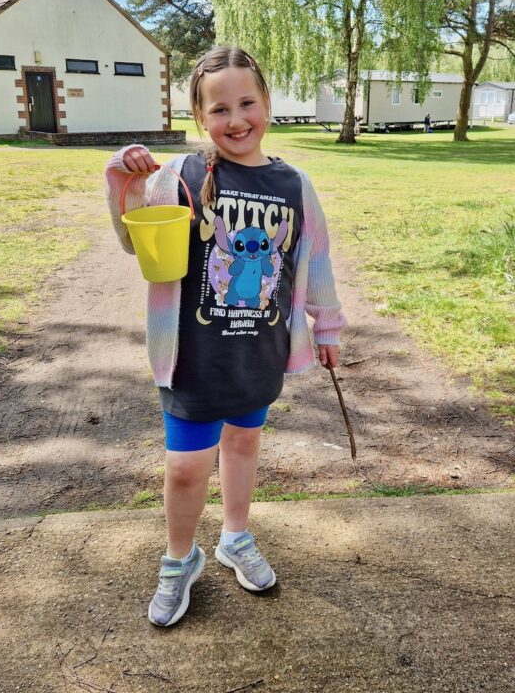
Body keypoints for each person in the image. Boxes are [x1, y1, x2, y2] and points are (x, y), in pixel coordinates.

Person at [104, 46, 346, 627]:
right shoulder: (181, 176)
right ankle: (178, 558)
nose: (236, 120)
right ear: (199, 117)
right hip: (193, 354)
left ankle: (235, 537)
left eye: (247, 103)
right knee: (187, 467)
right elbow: (135, 239)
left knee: (243, 445)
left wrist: (327, 325)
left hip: (257, 353)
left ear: (266, 103)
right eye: (219, 109)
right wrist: (124, 178)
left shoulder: (294, 184)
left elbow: (314, 260)